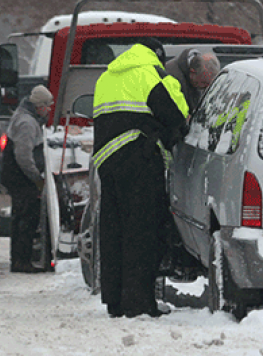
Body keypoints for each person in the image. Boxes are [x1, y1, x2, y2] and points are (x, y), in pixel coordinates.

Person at [92, 40, 189, 318]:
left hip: (106, 162)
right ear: (157, 56)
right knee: (142, 233)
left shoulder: (106, 77)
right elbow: (173, 116)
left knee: (113, 231)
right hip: (139, 158)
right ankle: (138, 302)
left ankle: (114, 300)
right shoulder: (149, 73)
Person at [0, 84, 54, 273]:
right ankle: (21, 261)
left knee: (20, 219)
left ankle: (19, 260)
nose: (48, 110)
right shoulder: (27, 123)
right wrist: (37, 179)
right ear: (39, 106)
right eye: (47, 106)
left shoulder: (25, 118)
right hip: (22, 179)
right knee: (26, 220)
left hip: (17, 178)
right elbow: (23, 156)